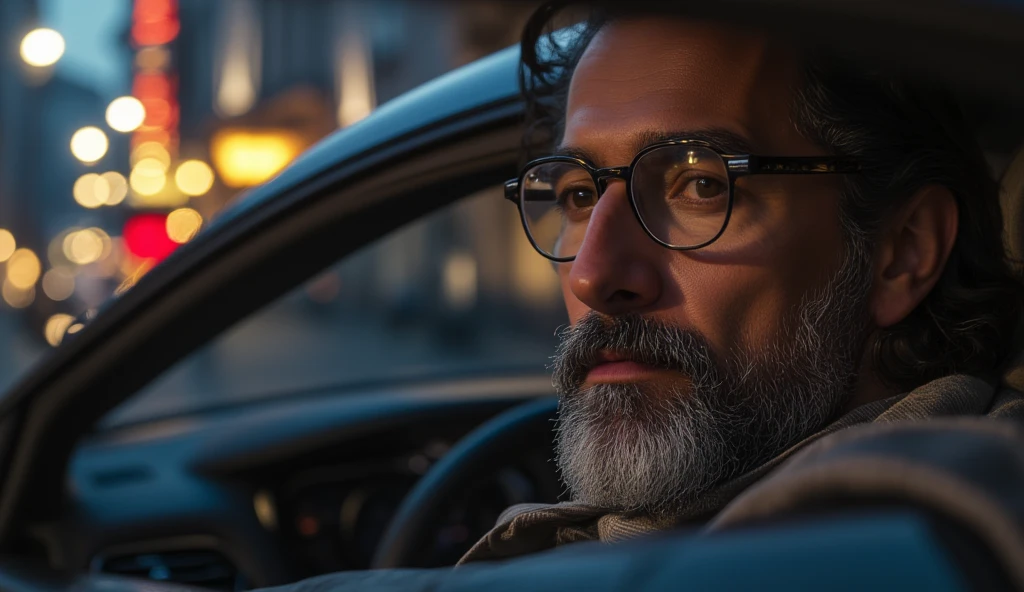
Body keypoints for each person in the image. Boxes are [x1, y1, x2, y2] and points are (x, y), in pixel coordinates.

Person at [267, 2, 1024, 589]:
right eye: (575, 193)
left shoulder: (957, 521)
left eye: (701, 184)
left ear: (902, 253)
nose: (594, 274)